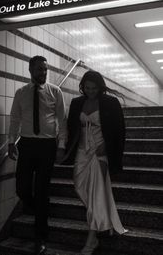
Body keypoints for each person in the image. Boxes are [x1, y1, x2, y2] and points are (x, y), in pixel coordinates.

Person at [8, 55, 67, 255]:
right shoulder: (21, 93)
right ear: (30, 70)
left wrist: (62, 145)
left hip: (47, 146)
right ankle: (41, 209)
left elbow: (62, 119)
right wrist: (10, 142)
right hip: (27, 144)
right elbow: (15, 118)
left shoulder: (55, 91)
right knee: (22, 188)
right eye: (39, 69)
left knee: (42, 190)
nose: (43, 72)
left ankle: (40, 236)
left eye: (45, 69)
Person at [64, 70, 127, 255]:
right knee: (79, 186)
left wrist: (107, 147)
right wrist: (63, 148)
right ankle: (101, 217)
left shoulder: (110, 103)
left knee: (95, 194)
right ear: (82, 87)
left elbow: (119, 130)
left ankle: (91, 240)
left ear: (100, 87)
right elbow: (71, 128)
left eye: (94, 88)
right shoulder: (77, 103)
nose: (90, 91)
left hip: (100, 152)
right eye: (87, 88)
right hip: (82, 152)